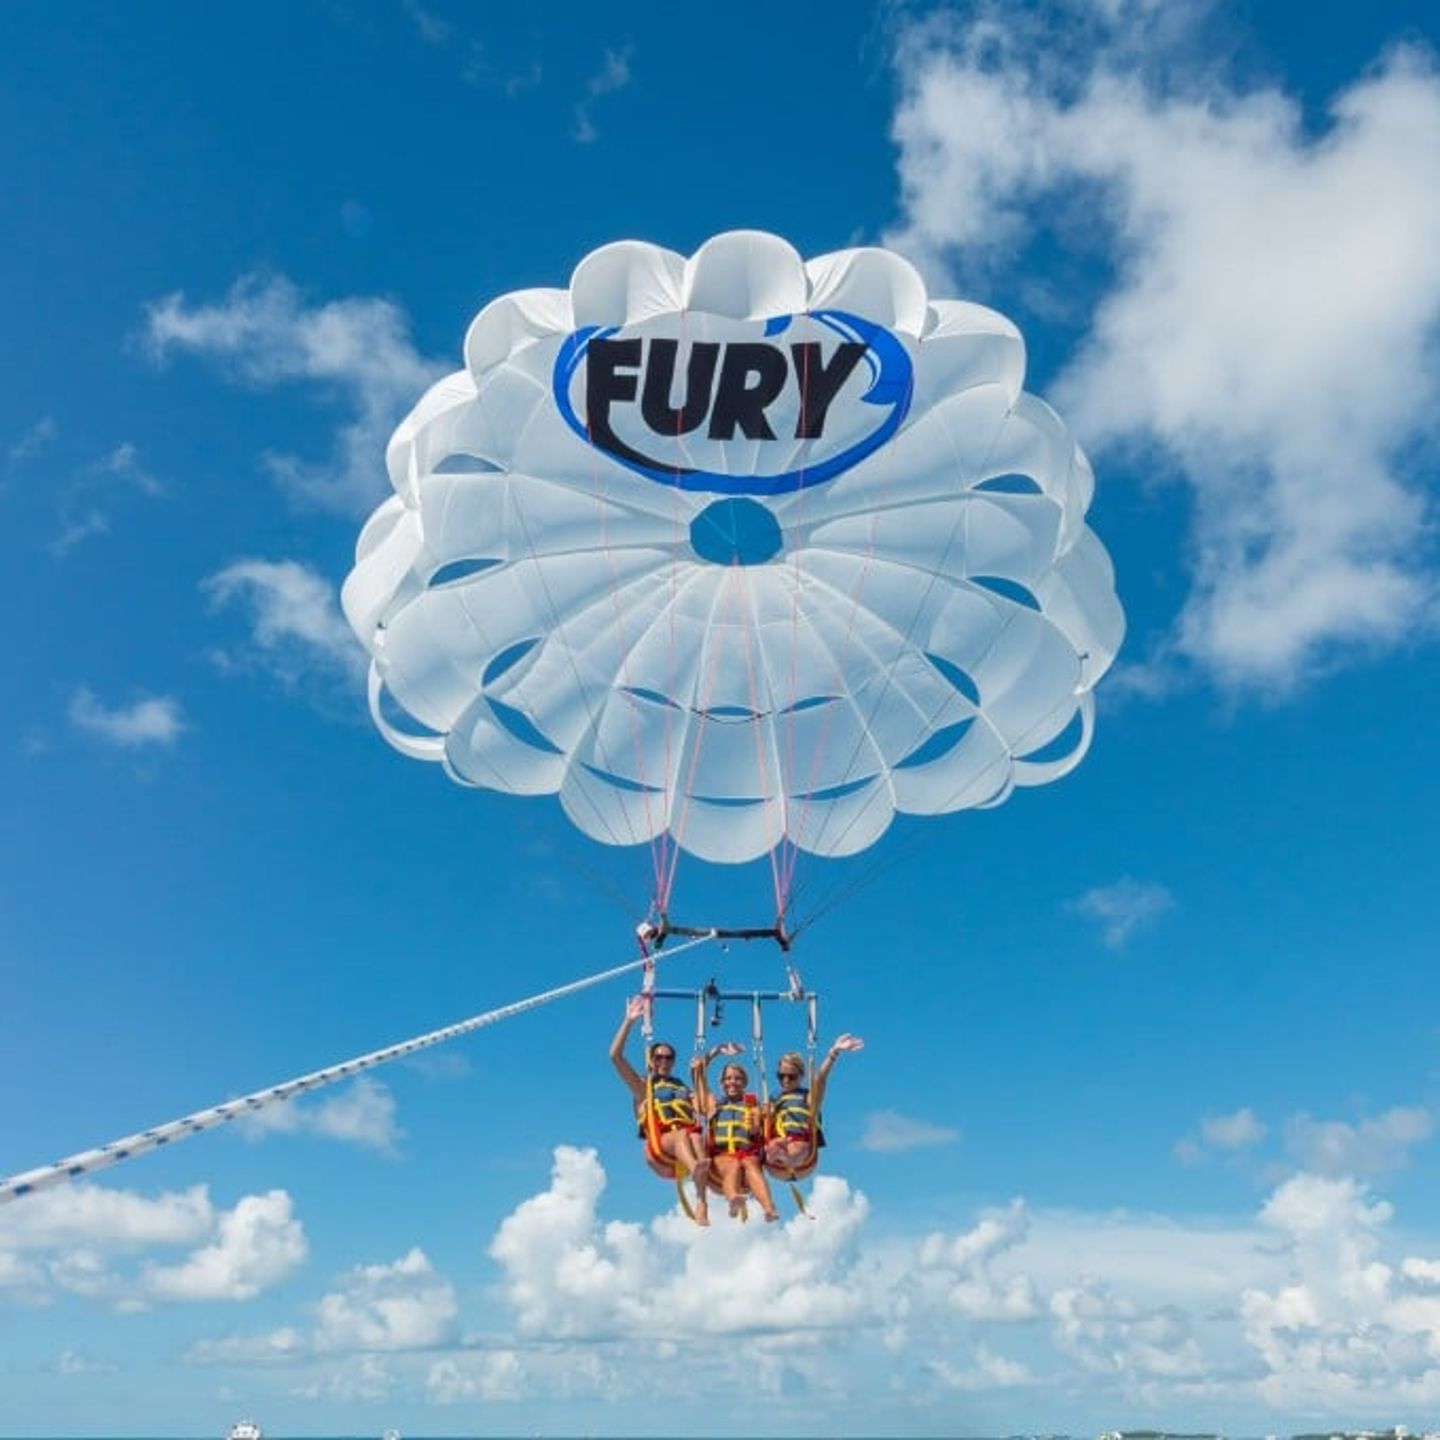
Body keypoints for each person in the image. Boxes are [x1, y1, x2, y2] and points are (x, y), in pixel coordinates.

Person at [610, 996, 711, 1225]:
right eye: (659, 1057)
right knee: (684, 1135)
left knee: (695, 1134)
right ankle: (696, 1168)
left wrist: (701, 1073)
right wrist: (629, 1022)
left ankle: (702, 1204)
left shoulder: (682, 1088)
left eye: (668, 1057)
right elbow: (615, 1057)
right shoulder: (643, 1086)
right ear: (651, 1059)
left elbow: (705, 1109)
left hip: (688, 1145)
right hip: (659, 1150)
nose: (663, 1061)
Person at [692, 1043, 780, 1222]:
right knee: (733, 1164)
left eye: (737, 1078)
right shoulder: (713, 1104)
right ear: (722, 1083)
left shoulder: (753, 1104)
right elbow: (697, 1073)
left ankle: (769, 1208)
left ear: (745, 1082)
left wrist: (758, 1118)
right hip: (722, 1155)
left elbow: (760, 1127)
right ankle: (733, 1198)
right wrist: (715, 1052)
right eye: (728, 1078)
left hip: (747, 1153)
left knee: (750, 1165)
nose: (732, 1082)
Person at [764, 1033, 863, 1178]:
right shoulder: (774, 1098)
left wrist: (833, 1053)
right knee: (768, 1145)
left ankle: (782, 1155)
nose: (785, 1080)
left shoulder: (808, 1097)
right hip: (777, 1152)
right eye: (781, 1076)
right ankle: (776, 1153)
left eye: (791, 1077)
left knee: (798, 1148)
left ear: (801, 1076)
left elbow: (820, 1078)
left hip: (802, 1154)